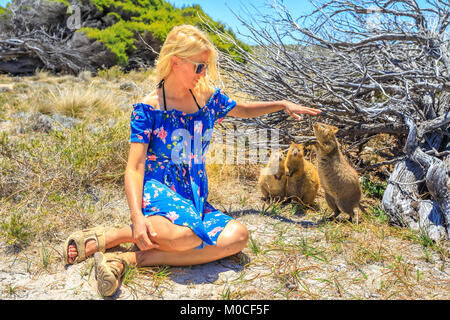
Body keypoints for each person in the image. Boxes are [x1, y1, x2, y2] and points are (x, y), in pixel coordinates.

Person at [63, 24, 321, 297]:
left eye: (206, 67)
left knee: (238, 237)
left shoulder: (207, 99)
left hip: (193, 192)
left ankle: (126, 258)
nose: (204, 73)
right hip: (157, 188)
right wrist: (137, 218)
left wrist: (282, 104)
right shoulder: (148, 108)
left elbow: (242, 109)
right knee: (189, 236)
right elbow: (134, 167)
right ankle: (121, 235)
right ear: (175, 62)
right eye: (199, 66)